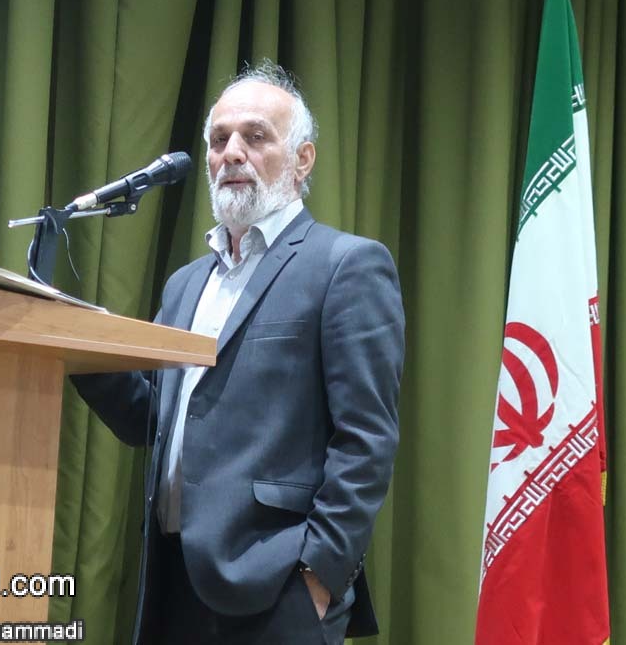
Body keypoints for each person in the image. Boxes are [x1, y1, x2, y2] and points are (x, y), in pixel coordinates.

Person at [72, 61, 404, 644]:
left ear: (302, 160)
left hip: (278, 586)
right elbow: (148, 416)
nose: (231, 153)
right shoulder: (185, 284)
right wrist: (74, 340)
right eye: (218, 139)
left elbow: (366, 439)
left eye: (255, 136)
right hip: (172, 583)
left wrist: (319, 575)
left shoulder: (346, 265)